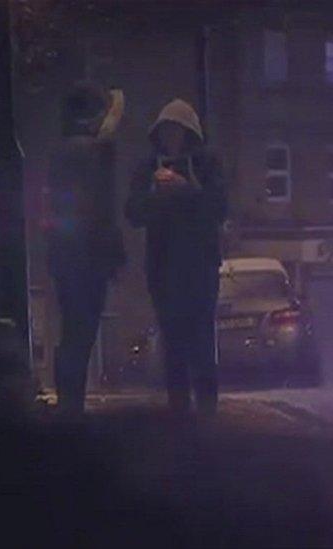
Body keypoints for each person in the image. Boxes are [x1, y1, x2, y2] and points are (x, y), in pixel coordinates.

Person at [125, 99, 227, 415]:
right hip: (163, 266)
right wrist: (157, 195)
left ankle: (207, 408)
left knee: (201, 337)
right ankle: (179, 408)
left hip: (199, 266)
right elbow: (133, 212)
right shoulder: (149, 167)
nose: (171, 138)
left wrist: (186, 190)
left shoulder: (206, 165)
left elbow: (218, 208)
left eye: (177, 131)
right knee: (173, 339)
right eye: (166, 131)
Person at [45, 85, 126, 413]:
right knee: (82, 331)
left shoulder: (61, 152)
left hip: (67, 257)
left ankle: (69, 402)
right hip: (89, 258)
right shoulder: (92, 152)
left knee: (72, 331)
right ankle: (71, 407)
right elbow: (102, 211)